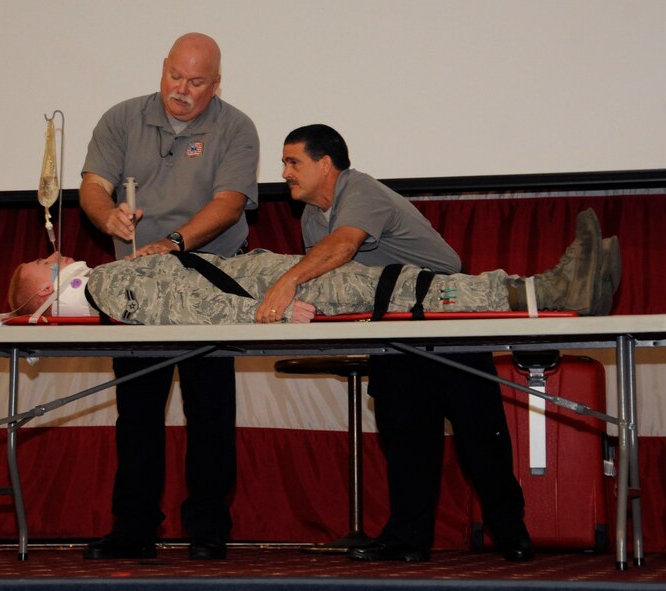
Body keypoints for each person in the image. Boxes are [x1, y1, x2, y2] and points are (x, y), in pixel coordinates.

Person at [256, 124, 614, 564]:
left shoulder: (361, 190)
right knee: (406, 440)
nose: (285, 172)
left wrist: (286, 283)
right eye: (285, 163)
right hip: (394, 333)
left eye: (293, 162)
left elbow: (343, 248)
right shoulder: (312, 216)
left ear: (326, 164)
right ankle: (409, 540)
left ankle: (513, 534)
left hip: (446, 325)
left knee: (480, 437)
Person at [76, 32, 259, 561]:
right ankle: (134, 529)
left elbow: (229, 204)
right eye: (175, 76)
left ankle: (207, 528)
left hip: (208, 280)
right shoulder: (122, 118)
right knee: (137, 411)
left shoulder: (236, 127)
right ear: (163, 69)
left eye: (196, 82)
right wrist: (103, 212)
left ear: (216, 83)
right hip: (136, 286)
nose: (181, 89)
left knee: (210, 409)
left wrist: (174, 243)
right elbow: (93, 183)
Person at [7, 210, 619, 324]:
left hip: (270, 277)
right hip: (270, 289)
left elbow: (187, 291)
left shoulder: (112, 284)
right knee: (402, 288)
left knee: (403, 286)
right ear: (45, 290)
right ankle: (549, 289)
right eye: (45, 260)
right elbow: (187, 308)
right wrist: (264, 313)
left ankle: (552, 286)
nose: (56, 254)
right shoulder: (109, 289)